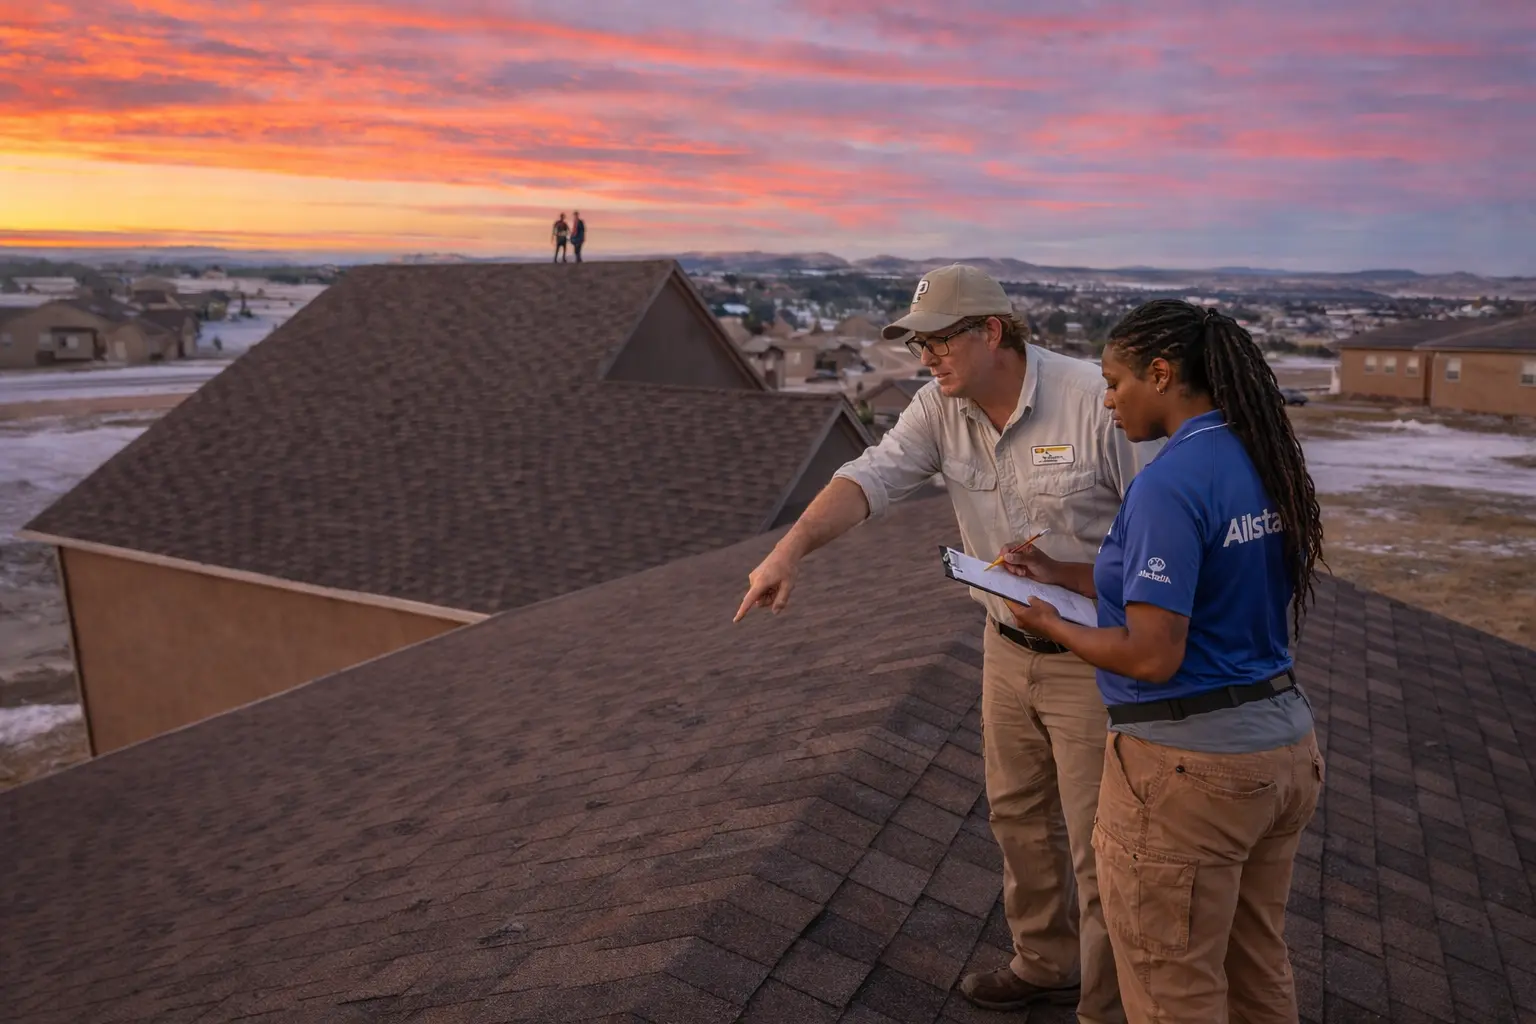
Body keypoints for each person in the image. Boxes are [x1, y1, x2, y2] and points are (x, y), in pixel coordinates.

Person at [734, 263, 1160, 1023]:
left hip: (1095, 661)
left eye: (938, 341)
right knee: (1017, 816)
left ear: (991, 333)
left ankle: (1107, 1006)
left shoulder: (1093, 402)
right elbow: (872, 477)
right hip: (1007, 649)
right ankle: (1046, 964)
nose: (925, 357)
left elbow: (1162, 542)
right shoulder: (940, 407)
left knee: (1102, 845)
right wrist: (789, 551)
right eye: (917, 342)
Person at [1000, 299, 1326, 1024]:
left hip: (1188, 773)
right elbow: (1184, 584)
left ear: (1162, 372)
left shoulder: (1167, 483)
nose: (1109, 400)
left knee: (1170, 986)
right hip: (1281, 752)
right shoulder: (1258, 456)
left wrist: (1054, 626)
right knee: (1254, 967)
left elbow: (1151, 655)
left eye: (1116, 382)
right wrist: (1062, 573)